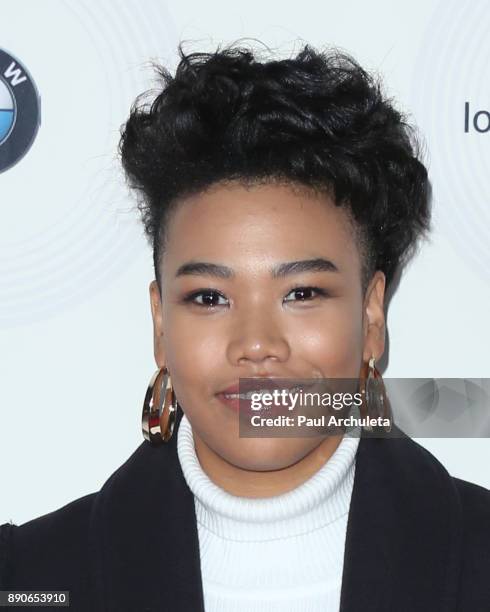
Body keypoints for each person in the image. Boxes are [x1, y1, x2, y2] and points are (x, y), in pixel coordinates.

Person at [1, 41, 489, 612]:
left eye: (302, 293)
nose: (257, 345)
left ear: (371, 316)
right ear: (161, 324)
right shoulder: (27, 578)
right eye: (209, 297)